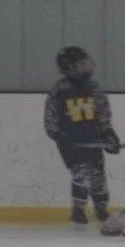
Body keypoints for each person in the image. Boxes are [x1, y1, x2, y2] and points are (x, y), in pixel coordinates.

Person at [45, 46, 120, 226]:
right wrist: (60, 136)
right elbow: (50, 120)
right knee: (81, 174)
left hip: (92, 140)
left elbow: (103, 115)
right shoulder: (60, 91)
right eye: (80, 65)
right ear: (68, 68)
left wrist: (108, 134)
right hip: (71, 143)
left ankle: (101, 208)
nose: (85, 68)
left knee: (98, 174)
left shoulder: (94, 88)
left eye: (85, 63)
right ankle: (78, 209)